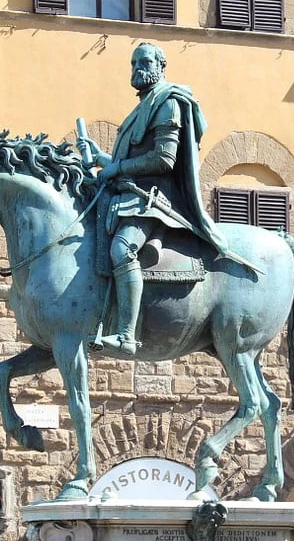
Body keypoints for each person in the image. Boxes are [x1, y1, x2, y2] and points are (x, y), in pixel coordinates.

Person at [78, 42, 227, 356]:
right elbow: (131, 157)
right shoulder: (141, 108)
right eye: (133, 63)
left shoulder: (167, 102)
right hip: (128, 195)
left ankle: (126, 335)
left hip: (151, 201)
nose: (137, 68)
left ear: (161, 65)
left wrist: (115, 167)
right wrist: (103, 159)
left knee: (122, 249)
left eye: (144, 61)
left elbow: (163, 160)